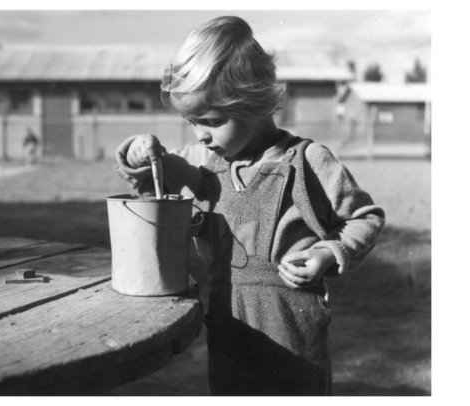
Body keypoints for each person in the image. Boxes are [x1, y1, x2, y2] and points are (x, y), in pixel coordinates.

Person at [115, 16, 385, 395]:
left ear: (254, 103)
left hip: (294, 330)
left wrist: (329, 252)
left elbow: (364, 217)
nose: (200, 135)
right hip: (228, 325)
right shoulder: (202, 162)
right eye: (191, 122)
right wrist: (140, 151)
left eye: (211, 120)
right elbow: (149, 174)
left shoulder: (308, 161)